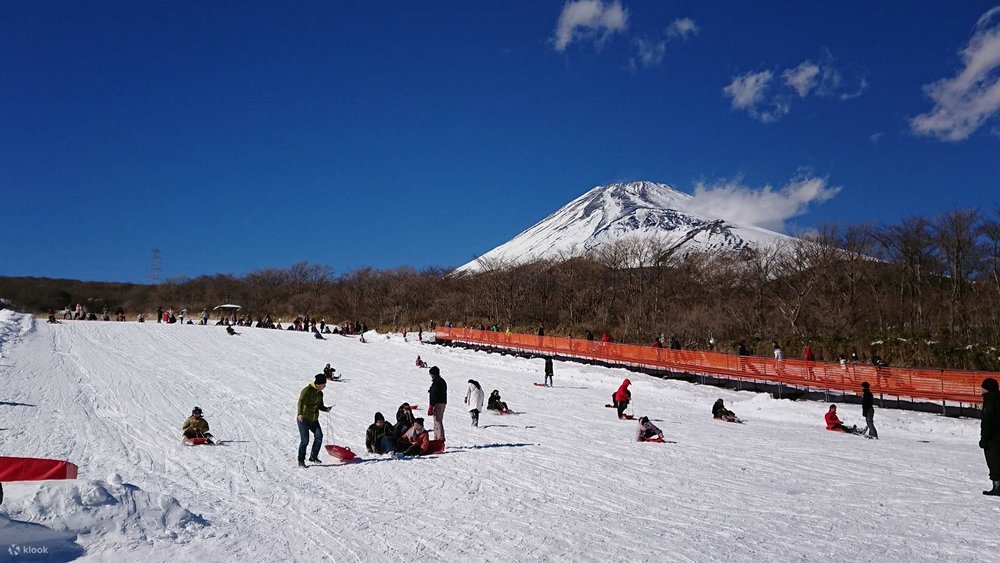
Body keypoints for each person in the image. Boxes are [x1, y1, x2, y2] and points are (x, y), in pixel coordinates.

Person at [297, 374, 332, 467]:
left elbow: (320, 406)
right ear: (319, 384)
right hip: (303, 419)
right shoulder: (307, 390)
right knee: (305, 441)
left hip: (314, 419)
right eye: (324, 384)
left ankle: (313, 457)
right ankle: (301, 461)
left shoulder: (320, 394)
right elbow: (301, 401)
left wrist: (326, 409)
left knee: (319, 436)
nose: (325, 386)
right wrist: (300, 414)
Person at [981, 377, 1000, 496]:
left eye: (983, 388)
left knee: (994, 461)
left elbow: (987, 422)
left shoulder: (989, 401)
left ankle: (997, 487)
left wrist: (984, 439)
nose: (981, 390)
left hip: (993, 438)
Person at [428, 366, 447, 441]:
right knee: (437, 420)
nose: (431, 376)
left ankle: (440, 438)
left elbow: (434, 394)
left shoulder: (436, 382)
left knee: (438, 421)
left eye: (431, 374)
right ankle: (436, 438)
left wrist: (431, 405)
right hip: (442, 402)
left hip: (437, 403)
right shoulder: (442, 381)